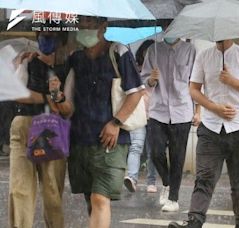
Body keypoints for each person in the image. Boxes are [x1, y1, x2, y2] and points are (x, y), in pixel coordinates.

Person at [169, 39, 239, 228]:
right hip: (211, 127)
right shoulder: (204, 56)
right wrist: (214, 108)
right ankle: (194, 221)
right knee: (204, 177)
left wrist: (233, 82)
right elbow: (193, 89)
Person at [65, 16, 144, 228]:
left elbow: (136, 92)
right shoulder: (75, 58)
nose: (85, 28)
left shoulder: (118, 52)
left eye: (90, 23)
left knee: (100, 198)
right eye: (81, 23)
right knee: (91, 200)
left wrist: (115, 122)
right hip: (80, 140)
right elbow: (68, 98)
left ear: (103, 26)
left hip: (111, 141)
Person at [8, 30, 70, 228]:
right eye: (42, 34)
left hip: (51, 127)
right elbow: (17, 93)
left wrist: (56, 95)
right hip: (24, 124)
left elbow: (67, 108)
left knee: (52, 191)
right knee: (20, 189)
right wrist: (44, 98)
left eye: (51, 34)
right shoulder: (28, 61)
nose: (46, 38)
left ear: (61, 39)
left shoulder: (67, 68)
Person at [141, 32, 200, 212]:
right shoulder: (153, 50)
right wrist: (151, 79)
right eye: (165, 24)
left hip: (182, 111)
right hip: (158, 110)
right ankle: (167, 182)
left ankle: (173, 198)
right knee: (156, 152)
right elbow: (143, 80)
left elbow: (196, 82)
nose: (169, 28)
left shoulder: (190, 50)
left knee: (177, 157)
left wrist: (198, 110)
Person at [124, 40, 159, 193]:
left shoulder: (158, 69)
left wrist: (153, 79)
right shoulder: (133, 69)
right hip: (137, 114)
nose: (147, 55)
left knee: (153, 151)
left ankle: (151, 181)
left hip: (153, 115)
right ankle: (132, 178)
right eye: (145, 52)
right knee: (136, 147)